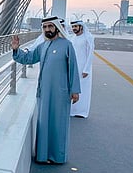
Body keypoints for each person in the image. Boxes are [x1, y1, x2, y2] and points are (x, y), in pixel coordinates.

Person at [11, 15, 81, 164]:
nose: (47, 29)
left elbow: (73, 68)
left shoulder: (66, 45)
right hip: (44, 93)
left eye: (50, 26)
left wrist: (75, 90)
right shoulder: (42, 46)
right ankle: (43, 156)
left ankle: (57, 156)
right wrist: (17, 50)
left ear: (56, 28)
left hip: (61, 93)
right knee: (44, 122)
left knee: (58, 123)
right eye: (44, 27)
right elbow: (29, 58)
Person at [70, 20, 95, 118]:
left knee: (83, 90)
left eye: (76, 26)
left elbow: (90, 54)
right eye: (73, 27)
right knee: (73, 89)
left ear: (81, 27)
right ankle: (72, 110)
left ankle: (82, 111)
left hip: (83, 69)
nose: (74, 28)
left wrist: (87, 69)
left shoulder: (88, 38)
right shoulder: (72, 38)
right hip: (73, 67)